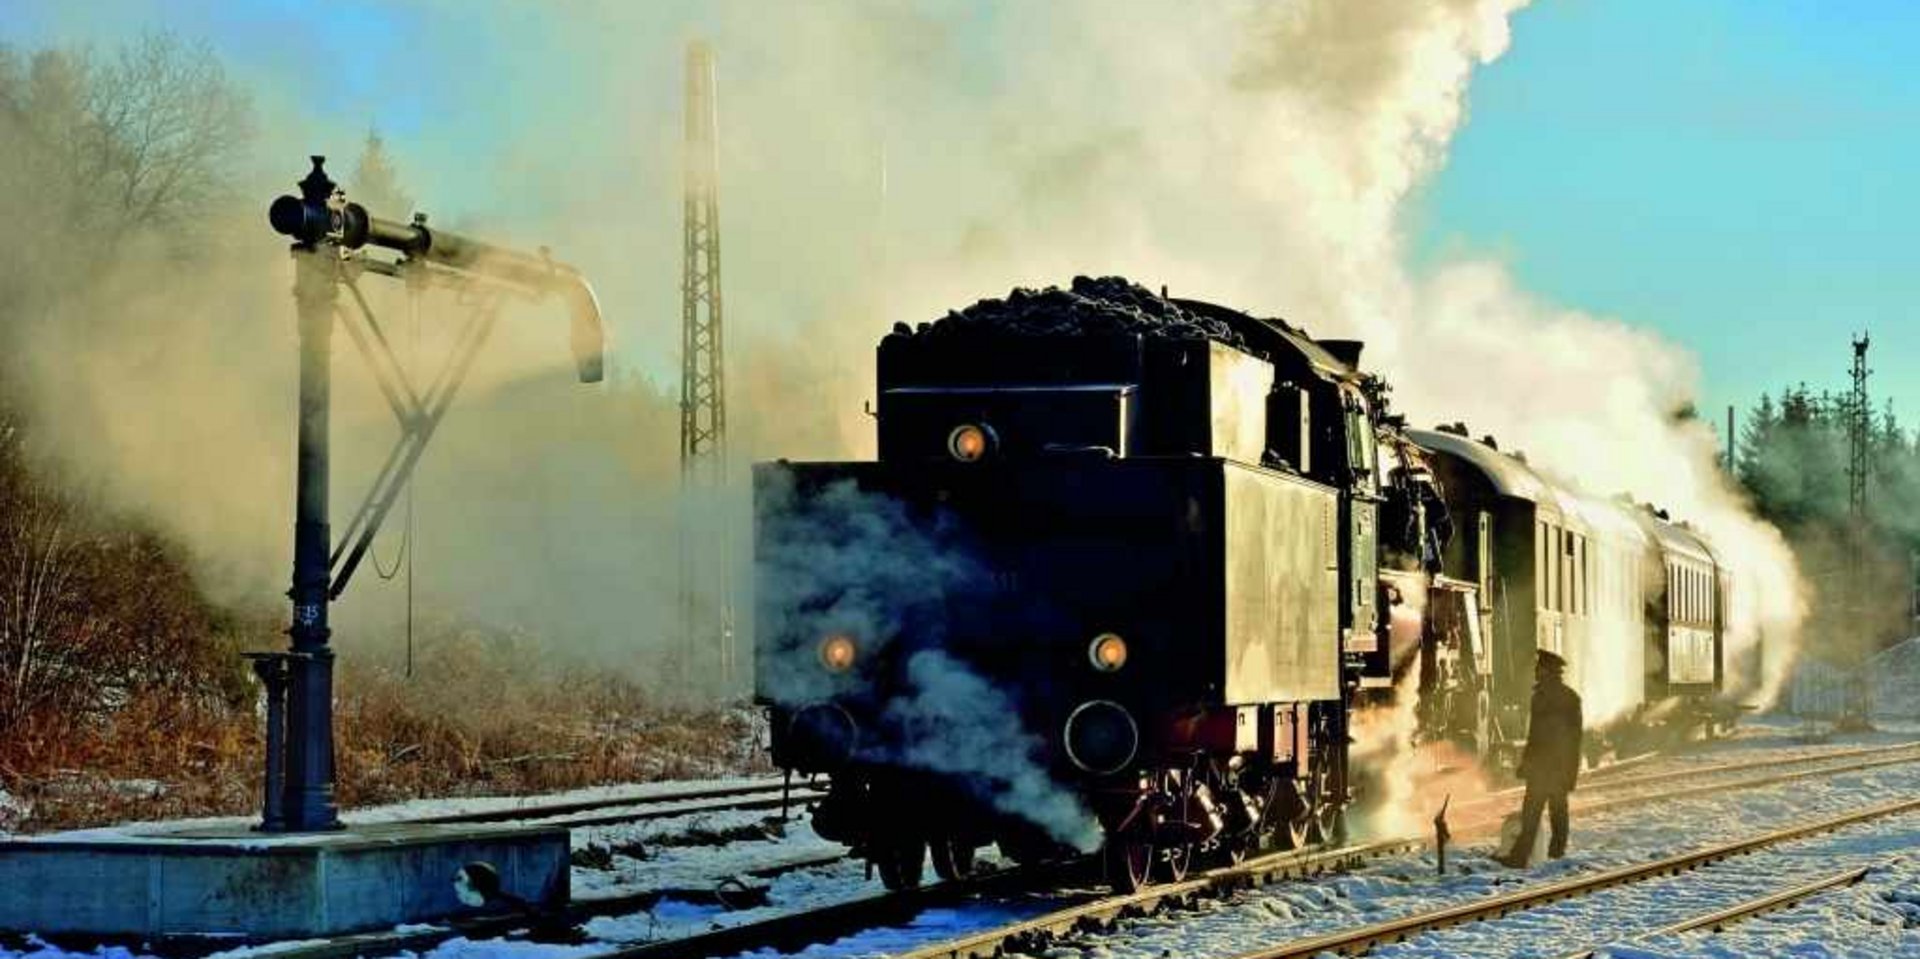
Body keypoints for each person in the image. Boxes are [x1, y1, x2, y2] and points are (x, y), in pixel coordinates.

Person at [1497, 649, 1583, 866]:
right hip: (1557, 766)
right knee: (1557, 811)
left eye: (1539, 668)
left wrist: (1527, 764)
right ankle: (1555, 853)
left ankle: (1522, 856)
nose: (1536, 671)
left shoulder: (1541, 697)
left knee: (1533, 812)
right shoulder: (1570, 697)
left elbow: (1535, 736)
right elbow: (1575, 739)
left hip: (1543, 766)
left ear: (1546, 671)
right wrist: (1571, 772)